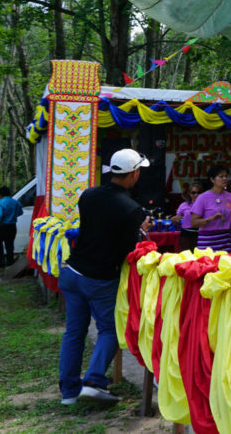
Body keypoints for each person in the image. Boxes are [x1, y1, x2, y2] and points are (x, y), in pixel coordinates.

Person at [59, 148, 150, 405]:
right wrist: (139, 229)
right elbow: (128, 251)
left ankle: (68, 392)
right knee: (110, 330)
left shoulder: (88, 195)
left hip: (73, 271)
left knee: (73, 333)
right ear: (134, 174)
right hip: (99, 279)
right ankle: (94, 381)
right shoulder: (132, 209)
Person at [190, 165, 231, 251]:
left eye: (226, 176)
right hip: (207, 243)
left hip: (227, 241)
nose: (225, 178)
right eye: (221, 176)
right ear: (212, 179)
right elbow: (194, 222)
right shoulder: (202, 198)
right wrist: (211, 219)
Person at [0, 186, 23, 267]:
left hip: (2, 226)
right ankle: (10, 262)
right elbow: (21, 213)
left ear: (0, 194)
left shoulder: (1, 202)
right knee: (10, 245)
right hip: (12, 227)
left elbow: (0, 215)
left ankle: (0, 262)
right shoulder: (16, 202)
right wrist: (13, 216)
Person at [173, 181, 204, 251]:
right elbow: (176, 219)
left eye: (198, 192)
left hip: (200, 235)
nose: (196, 194)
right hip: (186, 235)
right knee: (186, 258)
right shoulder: (184, 205)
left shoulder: (205, 205)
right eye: (193, 192)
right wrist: (174, 219)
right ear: (189, 194)